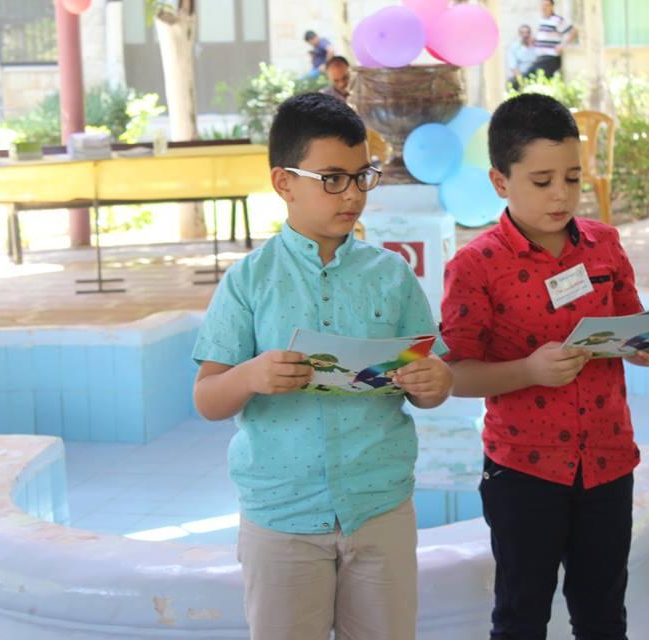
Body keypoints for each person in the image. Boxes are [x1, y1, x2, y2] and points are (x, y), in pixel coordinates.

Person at [191, 92, 453, 640]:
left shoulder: (392, 275)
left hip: (379, 508)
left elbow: (429, 383)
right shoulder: (249, 281)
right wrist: (251, 375)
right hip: (282, 516)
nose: (352, 194)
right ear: (283, 182)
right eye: (332, 179)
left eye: (362, 177)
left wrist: (434, 382)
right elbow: (207, 398)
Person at [440, 93, 649, 640]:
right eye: (542, 180)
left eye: (572, 178)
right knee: (520, 618)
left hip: (607, 461)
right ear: (500, 181)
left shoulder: (603, 245)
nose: (561, 194)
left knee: (604, 618)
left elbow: (630, 332)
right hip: (524, 471)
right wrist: (528, 371)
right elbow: (454, 374)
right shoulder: (476, 265)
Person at [526, 0, 576, 79]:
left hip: (550, 57)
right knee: (528, 77)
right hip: (540, 57)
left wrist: (562, 45)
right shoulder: (542, 20)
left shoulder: (557, 20)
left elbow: (572, 32)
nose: (544, 7)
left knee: (537, 79)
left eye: (547, 5)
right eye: (543, 5)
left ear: (552, 7)